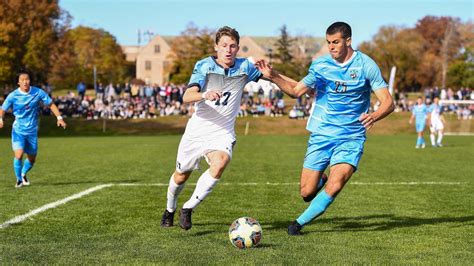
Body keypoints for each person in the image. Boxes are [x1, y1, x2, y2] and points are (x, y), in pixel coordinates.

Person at [255, 22, 394, 235]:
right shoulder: (320, 66)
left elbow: (388, 102)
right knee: (306, 192)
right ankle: (320, 180)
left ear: (348, 41)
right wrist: (273, 76)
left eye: (336, 42)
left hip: (352, 137)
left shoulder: (366, 65)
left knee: (337, 182)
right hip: (323, 134)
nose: (331, 47)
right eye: (328, 42)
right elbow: (296, 91)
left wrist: (374, 115)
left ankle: (298, 224)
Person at [160, 26, 262, 230]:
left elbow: (271, 77)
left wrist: (301, 86)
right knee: (181, 175)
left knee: (221, 161)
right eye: (224, 45)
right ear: (216, 47)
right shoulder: (204, 65)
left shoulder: (245, 67)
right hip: (197, 130)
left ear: (238, 48)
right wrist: (204, 94)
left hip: (222, 132)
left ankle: (188, 208)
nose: (228, 50)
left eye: (233, 46)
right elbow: (187, 96)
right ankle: (170, 209)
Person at [0, 70, 67, 188]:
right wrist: (1, 119)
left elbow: (51, 104)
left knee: (31, 160)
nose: (25, 82)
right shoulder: (13, 95)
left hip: (32, 132)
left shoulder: (38, 92)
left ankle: (23, 173)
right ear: (18, 83)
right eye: (22, 80)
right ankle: (19, 180)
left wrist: (59, 118)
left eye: (27, 79)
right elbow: (3, 108)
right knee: (19, 155)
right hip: (18, 131)